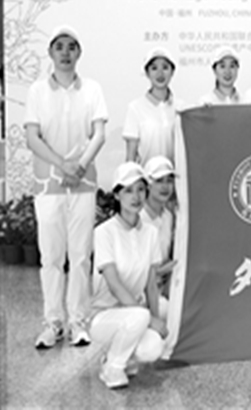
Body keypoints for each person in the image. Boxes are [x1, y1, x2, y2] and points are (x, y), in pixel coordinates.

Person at [25, 25, 108, 349]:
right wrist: (62, 165)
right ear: (50, 52)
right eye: (59, 46)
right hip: (49, 186)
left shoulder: (92, 90)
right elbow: (33, 137)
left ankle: (78, 322)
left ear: (79, 53)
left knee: (80, 256)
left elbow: (99, 134)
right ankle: (53, 323)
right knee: (51, 257)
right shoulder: (37, 91)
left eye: (71, 47)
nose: (65, 52)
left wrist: (80, 166)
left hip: (83, 184)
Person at [90, 162, 173, 389]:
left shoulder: (150, 233)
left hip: (136, 313)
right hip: (104, 316)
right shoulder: (104, 232)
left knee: (153, 348)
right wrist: (148, 317)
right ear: (117, 195)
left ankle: (120, 355)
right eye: (128, 190)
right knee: (139, 316)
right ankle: (112, 368)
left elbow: (151, 285)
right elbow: (114, 285)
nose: (136, 197)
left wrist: (154, 319)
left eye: (141, 189)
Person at [123, 47, 183, 165]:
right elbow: (130, 157)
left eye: (165, 67)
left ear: (172, 72)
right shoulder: (135, 108)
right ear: (147, 73)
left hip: (173, 176)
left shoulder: (181, 108)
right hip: (146, 175)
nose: (160, 73)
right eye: (154, 68)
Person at [140, 156, 176, 266]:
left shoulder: (168, 216)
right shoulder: (137, 219)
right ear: (148, 185)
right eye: (159, 181)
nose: (165, 186)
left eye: (169, 181)